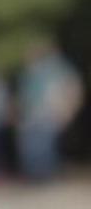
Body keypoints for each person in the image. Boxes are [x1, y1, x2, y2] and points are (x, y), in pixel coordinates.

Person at [14, 40, 81, 182]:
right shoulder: (30, 71)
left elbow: (72, 89)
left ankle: (47, 176)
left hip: (48, 112)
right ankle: (35, 176)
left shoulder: (58, 69)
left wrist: (68, 110)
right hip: (30, 115)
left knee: (44, 146)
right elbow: (24, 96)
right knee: (30, 146)